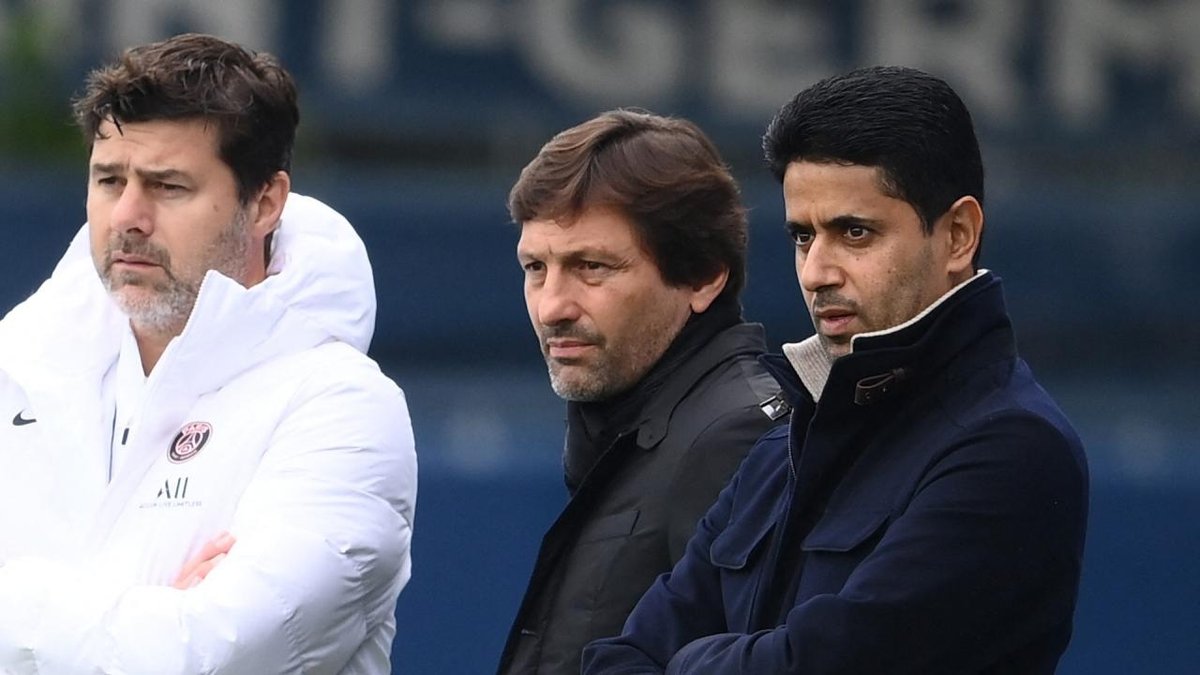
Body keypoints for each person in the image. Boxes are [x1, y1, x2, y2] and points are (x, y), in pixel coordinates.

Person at [583, 66, 1089, 674]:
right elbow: (619, 656)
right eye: (803, 237)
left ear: (958, 235)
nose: (816, 272)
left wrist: (687, 661)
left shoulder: (1010, 447)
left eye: (854, 232)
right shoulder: (781, 448)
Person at [0, 33, 416, 673]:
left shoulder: (345, 408)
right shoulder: (19, 367)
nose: (128, 217)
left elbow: (201, 657)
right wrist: (149, 610)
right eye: (109, 180)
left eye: (168, 186)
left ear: (265, 203)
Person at [496, 110, 786, 674]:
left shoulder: (737, 436)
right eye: (535, 267)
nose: (552, 307)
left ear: (703, 276)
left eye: (591, 266)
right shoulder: (628, 421)